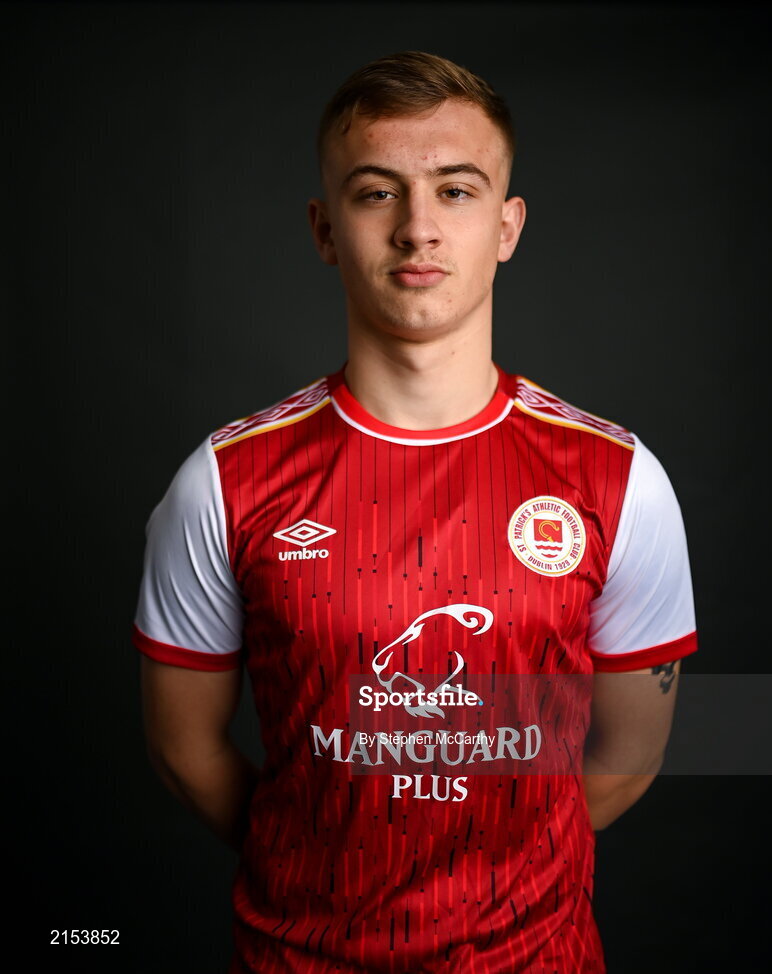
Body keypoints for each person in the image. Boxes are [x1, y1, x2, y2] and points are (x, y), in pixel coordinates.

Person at [133, 51, 698, 973]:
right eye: (374, 192)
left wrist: (496, 885)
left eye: (457, 190)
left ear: (508, 226)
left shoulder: (615, 479)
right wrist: (319, 868)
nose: (418, 229)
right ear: (323, 228)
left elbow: (626, 759)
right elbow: (182, 747)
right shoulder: (227, 480)